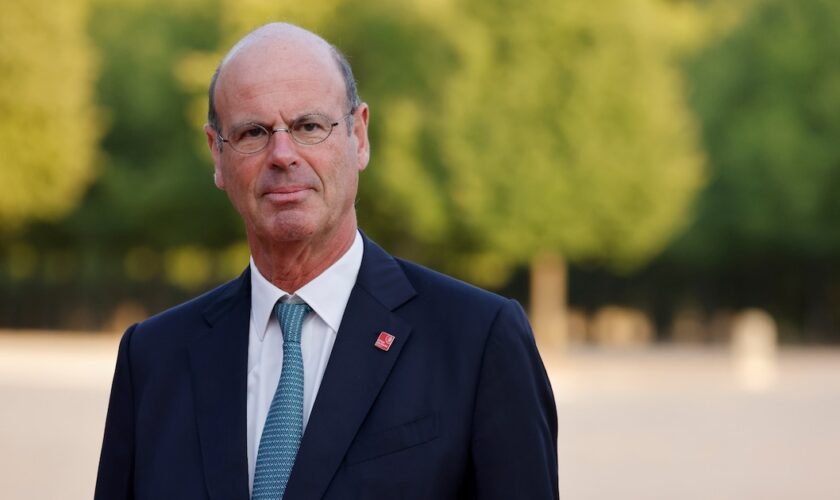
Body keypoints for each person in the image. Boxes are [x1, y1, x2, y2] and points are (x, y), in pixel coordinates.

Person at [95, 22, 558, 500]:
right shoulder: (152, 359)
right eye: (253, 132)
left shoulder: (477, 340)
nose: (282, 154)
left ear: (358, 136)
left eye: (309, 126)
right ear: (217, 153)